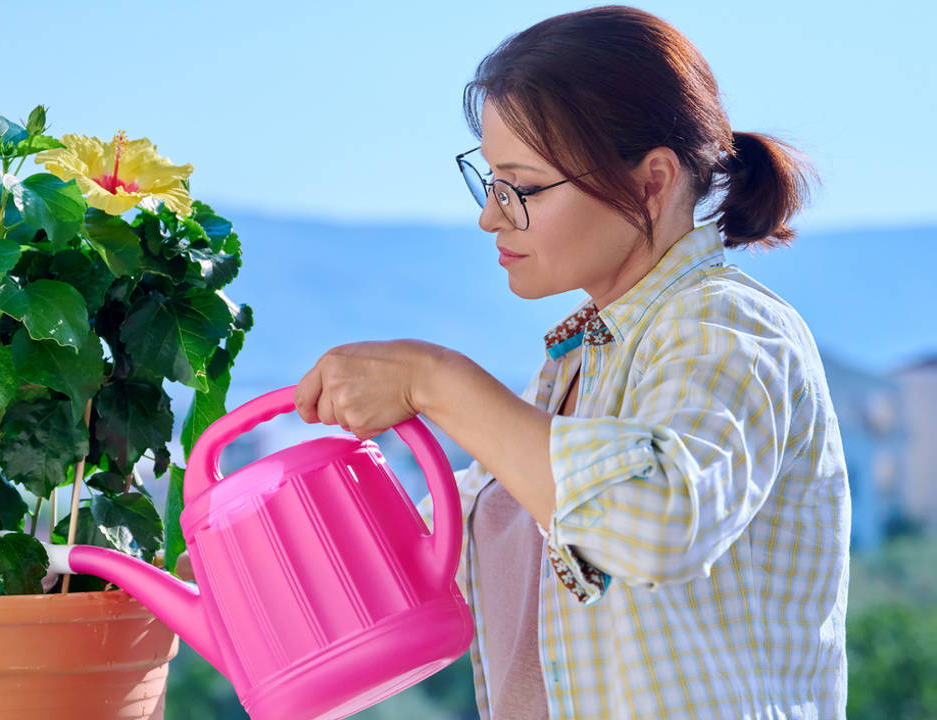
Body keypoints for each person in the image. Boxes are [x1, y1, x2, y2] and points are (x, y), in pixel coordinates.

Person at [290, 6, 849, 720]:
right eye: (488, 181)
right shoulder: (578, 363)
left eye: (521, 187)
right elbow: (434, 558)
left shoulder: (727, 328)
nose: (491, 216)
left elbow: (657, 519)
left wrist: (435, 380)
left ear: (652, 181)